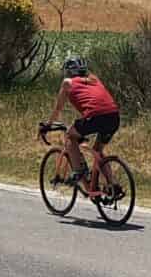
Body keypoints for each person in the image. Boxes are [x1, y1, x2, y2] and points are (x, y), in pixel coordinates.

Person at [41, 56, 121, 199]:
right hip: (114, 116)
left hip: (95, 117)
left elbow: (58, 108)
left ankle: (78, 171)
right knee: (98, 151)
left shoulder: (68, 82)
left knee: (70, 136)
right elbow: (94, 100)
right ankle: (112, 185)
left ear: (69, 71)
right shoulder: (94, 79)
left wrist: (48, 125)